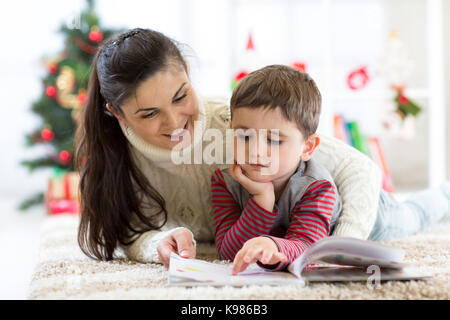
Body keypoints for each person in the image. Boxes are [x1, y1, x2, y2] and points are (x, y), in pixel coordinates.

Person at [75, 28, 384, 269]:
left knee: (412, 214)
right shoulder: (117, 158)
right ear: (117, 113)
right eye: (149, 114)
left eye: (181, 96)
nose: (174, 122)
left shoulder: (237, 120)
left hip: (342, 212)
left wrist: (342, 246)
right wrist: (158, 241)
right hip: (269, 239)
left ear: (186, 70)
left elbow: (358, 168)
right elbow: (130, 234)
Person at [211, 65, 450, 274]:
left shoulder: (317, 187)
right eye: (244, 136)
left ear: (307, 147)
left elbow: (310, 249)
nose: (255, 151)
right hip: (303, 223)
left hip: (373, 214)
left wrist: (272, 245)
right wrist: (262, 199)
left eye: (274, 140)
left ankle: (443, 195)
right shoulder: (225, 181)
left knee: (414, 216)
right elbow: (228, 252)